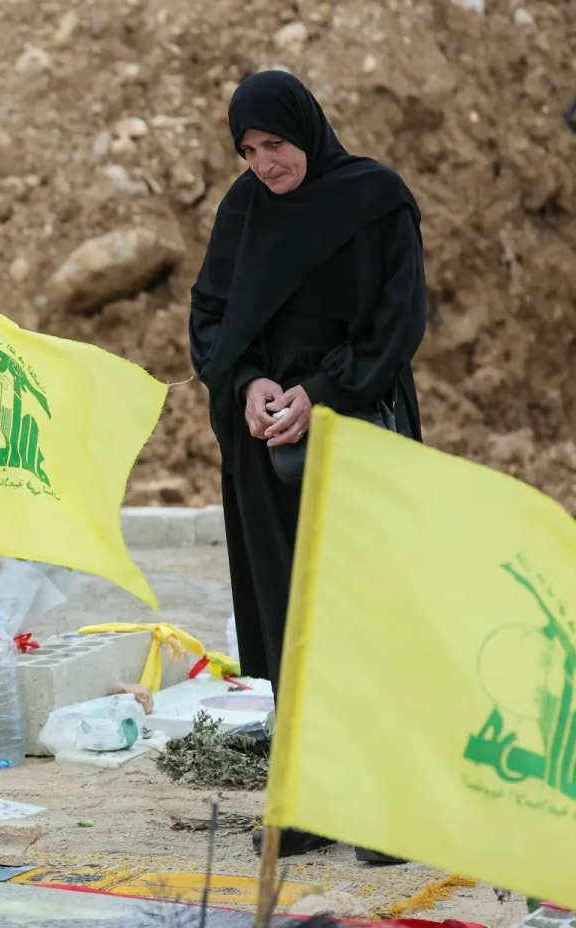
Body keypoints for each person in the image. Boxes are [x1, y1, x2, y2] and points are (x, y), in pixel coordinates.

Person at [188, 71, 427, 861]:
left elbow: (399, 325)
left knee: (364, 611)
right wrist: (251, 385)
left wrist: (317, 393)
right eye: (249, 150)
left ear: (307, 131)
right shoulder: (243, 210)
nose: (265, 163)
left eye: (276, 144)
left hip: (357, 435)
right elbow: (210, 316)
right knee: (290, 613)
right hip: (269, 455)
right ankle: (313, 799)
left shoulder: (376, 201)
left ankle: (386, 807)